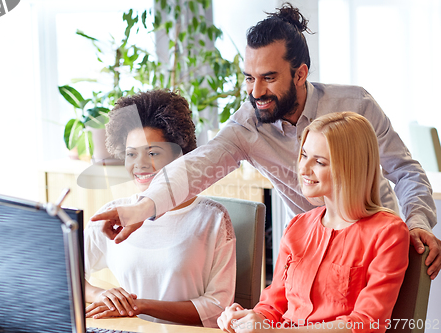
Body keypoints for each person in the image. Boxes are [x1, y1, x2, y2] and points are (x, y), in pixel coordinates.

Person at [91, 2, 441, 279]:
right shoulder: (247, 128)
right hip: (313, 256)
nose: (255, 92)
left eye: (269, 78)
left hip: (381, 248)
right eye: (249, 78)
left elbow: (405, 171)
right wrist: (142, 206)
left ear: (301, 74)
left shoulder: (355, 105)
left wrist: (418, 223)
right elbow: (196, 166)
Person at [217, 112, 410, 333]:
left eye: (319, 162)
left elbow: (366, 323)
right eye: (304, 155)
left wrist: (275, 332)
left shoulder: (389, 233)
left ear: (350, 167)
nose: (304, 168)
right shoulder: (297, 226)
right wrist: (248, 320)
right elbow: (272, 306)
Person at [83, 89, 236, 328]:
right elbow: (65, 274)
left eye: (152, 152)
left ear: (181, 156)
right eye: (131, 154)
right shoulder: (114, 214)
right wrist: (99, 295)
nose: (139, 164)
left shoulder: (212, 218)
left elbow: (218, 307)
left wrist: (141, 306)